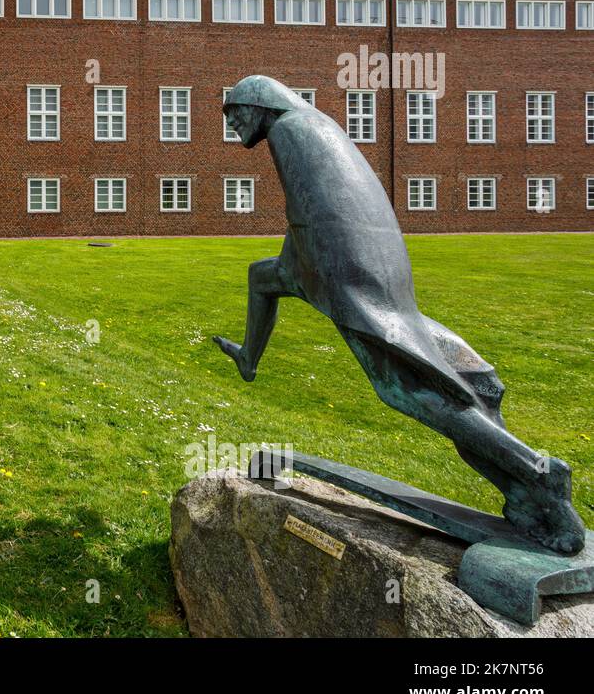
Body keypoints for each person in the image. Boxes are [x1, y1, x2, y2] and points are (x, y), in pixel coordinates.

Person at [212, 74, 585, 554]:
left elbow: (318, 214)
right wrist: (294, 266)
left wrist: (328, 284)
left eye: (233, 111)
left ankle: (536, 470)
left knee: (407, 388)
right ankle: (250, 359)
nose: (232, 121)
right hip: (341, 257)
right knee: (262, 277)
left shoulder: (289, 131)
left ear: (258, 102)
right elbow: (318, 203)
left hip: (342, 268)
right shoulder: (313, 126)